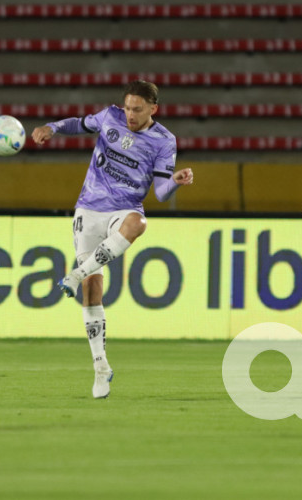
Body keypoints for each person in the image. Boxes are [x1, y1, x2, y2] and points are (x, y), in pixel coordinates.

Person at [32, 80, 194, 398]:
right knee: (92, 293)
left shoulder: (164, 141)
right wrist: (51, 127)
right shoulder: (110, 117)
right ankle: (101, 368)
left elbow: (160, 193)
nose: (130, 114)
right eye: (128, 107)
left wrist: (174, 181)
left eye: (137, 109)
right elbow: (79, 125)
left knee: (139, 223)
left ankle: (76, 274)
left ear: (153, 109)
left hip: (125, 208)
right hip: (88, 210)